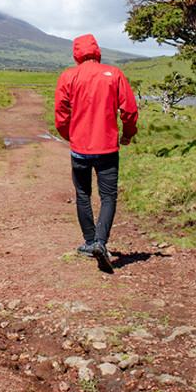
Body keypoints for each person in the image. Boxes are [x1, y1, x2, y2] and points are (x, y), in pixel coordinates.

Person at [54, 34, 138, 273]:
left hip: (80, 149)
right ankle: (100, 242)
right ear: (97, 50)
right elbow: (129, 110)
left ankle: (90, 242)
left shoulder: (67, 76)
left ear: (76, 53)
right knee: (108, 196)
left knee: (83, 194)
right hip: (108, 148)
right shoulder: (114, 73)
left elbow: (61, 114)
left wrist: (70, 136)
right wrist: (128, 134)